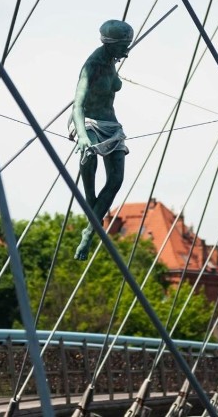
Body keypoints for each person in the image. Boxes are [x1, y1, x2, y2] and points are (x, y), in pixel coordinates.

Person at [71, 19, 133, 260]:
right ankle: (92, 212)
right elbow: (77, 106)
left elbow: (114, 78)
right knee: (89, 158)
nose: (127, 51)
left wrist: (117, 57)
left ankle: (88, 231)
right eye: (123, 45)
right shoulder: (92, 65)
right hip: (90, 122)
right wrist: (83, 137)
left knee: (116, 179)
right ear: (110, 44)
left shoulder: (111, 59)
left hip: (112, 124)